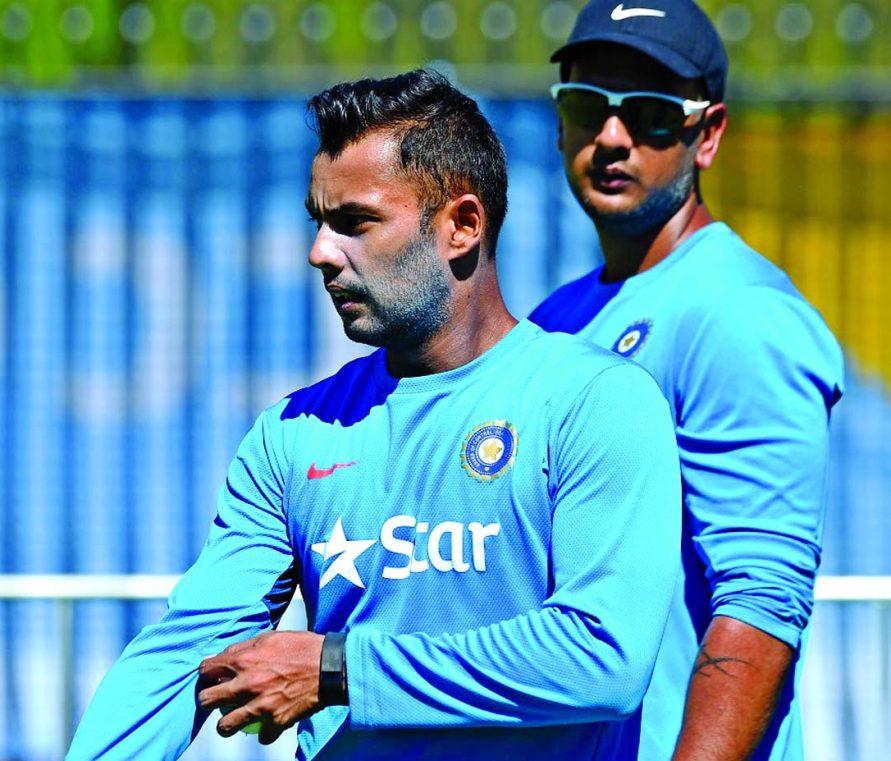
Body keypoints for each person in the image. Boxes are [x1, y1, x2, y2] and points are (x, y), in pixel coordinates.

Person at [66, 69, 682, 760]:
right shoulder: (292, 433)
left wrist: (341, 668)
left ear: (461, 225)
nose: (319, 253)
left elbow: (601, 656)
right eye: (318, 222)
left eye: (355, 222)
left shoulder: (596, 402)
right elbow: (185, 655)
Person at [530, 2, 845, 760]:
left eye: (649, 115)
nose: (611, 137)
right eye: (585, 107)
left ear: (706, 135)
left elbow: (759, 604)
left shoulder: (737, 313)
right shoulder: (557, 317)